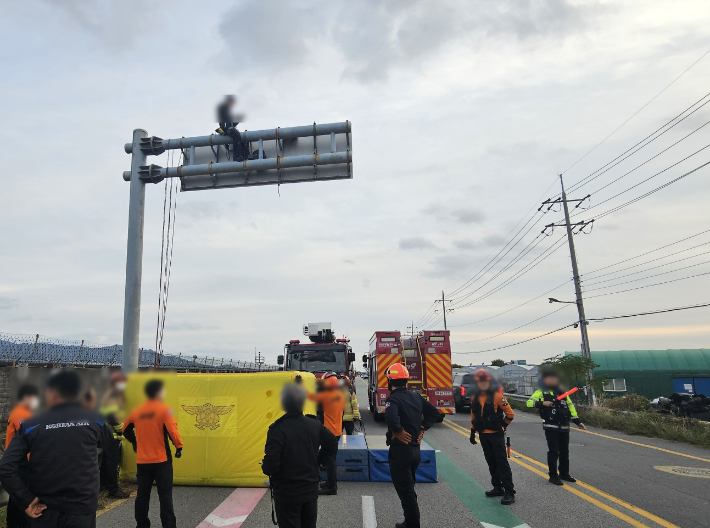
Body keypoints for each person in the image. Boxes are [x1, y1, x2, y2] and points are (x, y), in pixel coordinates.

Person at [0, 370, 105, 528]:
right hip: (82, 507)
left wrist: (27, 500)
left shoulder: (31, 424)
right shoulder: (95, 420)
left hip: (44, 509)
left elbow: (6, 466)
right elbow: (109, 449)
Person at [262, 383, 338, 528]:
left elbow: (271, 464)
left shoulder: (277, 429)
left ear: (283, 404)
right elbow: (332, 443)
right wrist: (319, 461)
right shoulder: (314, 425)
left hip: (287, 493)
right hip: (310, 491)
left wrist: (266, 468)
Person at [384, 363, 440, 528]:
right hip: (415, 451)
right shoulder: (416, 396)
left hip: (401, 451)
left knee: (406, 491)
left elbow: (391, 417)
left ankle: (412, 524)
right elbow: (434, 412)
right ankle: (409, 521)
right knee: (409, 488)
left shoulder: (393, 399)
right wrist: (423, 427)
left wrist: (398, 431)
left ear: (390, 380)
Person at [123, 379, 183, 528]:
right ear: (158, 393)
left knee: (142, 496)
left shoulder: (137, 411)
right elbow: (173, 432)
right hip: (162, 461)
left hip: (143, 462)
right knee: (165, 496)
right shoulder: (165, 410)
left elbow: (125, 430)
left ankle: (142, 525)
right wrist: (179, 447)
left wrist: (135, 442)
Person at [527, 370, 586, 485]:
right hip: (550, 426)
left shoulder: (562, 393)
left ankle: (564, 473)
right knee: (554, 451)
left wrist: (577, 421)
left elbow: (570, 407)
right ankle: (553, 475)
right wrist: (542, 403)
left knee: (565, 452)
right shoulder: (541, 392)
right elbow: (529, 403)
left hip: (564, 426)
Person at [470, 368, 516, 505]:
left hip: (496, 435)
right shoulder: (475, 397)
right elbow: (474, 416)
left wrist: (502, 426)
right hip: (483, 435)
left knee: (502, 463)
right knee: (491, 462)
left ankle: (509, 491)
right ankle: (497, 487)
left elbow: (510, 414)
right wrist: (472, 432)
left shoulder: (497, 396)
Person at [4, 383, 39, 528]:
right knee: (20, 499)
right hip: (20, 463)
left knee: (17, 498)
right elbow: (29, 437)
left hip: (19, 462)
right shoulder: (20, 414)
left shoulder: (25, 412)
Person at [308, 372, 344, 495]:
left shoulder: (326, 396)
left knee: (329, 460)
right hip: (337, 431)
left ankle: (331, 486)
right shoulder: (339, 394)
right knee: (328, 458)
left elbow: (309, 397)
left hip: (328, 432)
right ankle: (330, 483)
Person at [99, 372, 130, 499]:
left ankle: (103, 485)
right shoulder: (114, 395)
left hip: (106, 433)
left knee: (106, 461)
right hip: (111, 434)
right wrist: (120, 431)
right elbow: (111, 416)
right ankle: (113, 489)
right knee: (112, 461)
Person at [216, 94, 248, 161]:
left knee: (237, 135)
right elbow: (224, 122)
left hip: (226, 128)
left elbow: (231, 123)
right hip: (224, 129)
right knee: (236, 134)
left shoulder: (226, 109)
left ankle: (242, 155)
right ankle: (236, 156)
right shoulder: (223, 108)